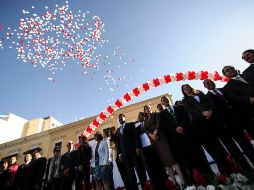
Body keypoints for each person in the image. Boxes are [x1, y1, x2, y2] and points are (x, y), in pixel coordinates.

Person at [181, 84, 233, 176]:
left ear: (190, 87)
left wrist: (210, 111)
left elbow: (209, 102)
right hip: (200, 124)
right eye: (184, 89)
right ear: (183, 91)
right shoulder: (185, 100)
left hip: (212, 119)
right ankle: (224, 171)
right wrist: (202, 113)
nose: (186, 89)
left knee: (221, 144)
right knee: (213, 146)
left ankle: (232, 166)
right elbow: (191, 111)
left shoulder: (200, 93)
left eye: (187, 87)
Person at [204, 79, 254, 171]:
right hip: (228, 123)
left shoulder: (224, 89)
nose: (210, 83)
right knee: (243, 144)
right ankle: (248, 170)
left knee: (249, 142)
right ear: (205, 86)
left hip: (240, 117)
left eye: (211, 81)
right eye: (207, 83)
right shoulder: (206, 97)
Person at [144, 104, 182, 188]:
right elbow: (146, 129)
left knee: (173, 160)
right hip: (156, 142)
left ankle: (183, 181)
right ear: (145, 111)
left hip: (162, 138)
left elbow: (158, 123)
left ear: (151, 108)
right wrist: (151, 135)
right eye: (146, 109)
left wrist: (155, 133)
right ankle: (175, 183)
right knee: (166, 163)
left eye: (149, 108)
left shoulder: (156, 114)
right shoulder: (145, 120)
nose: (148, 110)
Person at [135, 112, 168, 190]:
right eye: (139, 116)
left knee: (158, 165)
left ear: (144, 116)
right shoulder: (136, 127)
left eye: (141, 115)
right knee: (149, 168)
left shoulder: (148, 123)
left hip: (153, 146)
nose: (140, 117)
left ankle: (164, 182)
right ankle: (154, 185)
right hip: (144, 149)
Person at [222, 65, 254, 138]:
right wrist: (250, 99)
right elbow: (237, 98)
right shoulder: (227, 88)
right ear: (225, 75)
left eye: (231, 68)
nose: (230, 70)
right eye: (227, 70)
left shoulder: (248, 74)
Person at [115, 113, 143, 190]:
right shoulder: (118, 130)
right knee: (130, 173)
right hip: (124, 155)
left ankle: (144, 186)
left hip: (133, 151)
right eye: (119, 118)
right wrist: (119, 154)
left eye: (121, 117)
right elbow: (118, 143)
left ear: (125, 118)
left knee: (139, 170)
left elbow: (135, 136)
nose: (120, 118)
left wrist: (137, 147)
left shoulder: (130, 125)